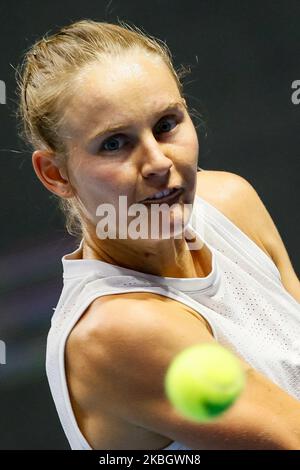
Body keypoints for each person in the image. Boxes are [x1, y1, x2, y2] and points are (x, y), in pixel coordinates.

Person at [16, 19, 300, 450]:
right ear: (56, 174)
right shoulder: (120, 330)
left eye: (167, 124)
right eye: (114, 143)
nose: (157, 163)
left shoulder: (230, 199)